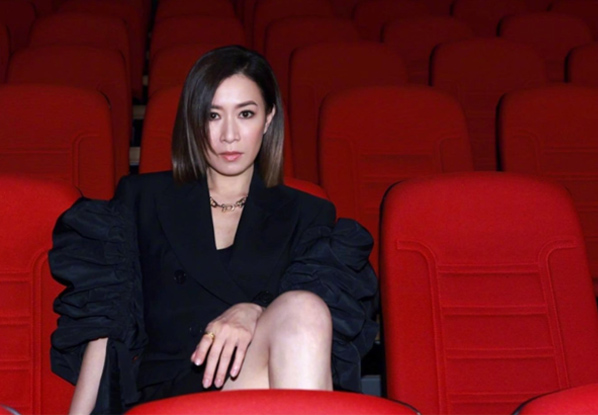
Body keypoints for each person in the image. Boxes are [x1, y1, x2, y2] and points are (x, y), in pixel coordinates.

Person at [49, 45, 378, 415]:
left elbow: (311, 339)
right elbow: (106, 329)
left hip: (260, 387)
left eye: (246, 114)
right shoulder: (141, 199)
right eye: (213, 115)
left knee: (304, 309)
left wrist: (256, 311)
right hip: (171, 397)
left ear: (269, 118)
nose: (229, 135)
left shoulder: (308, 214)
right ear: (193, 122)